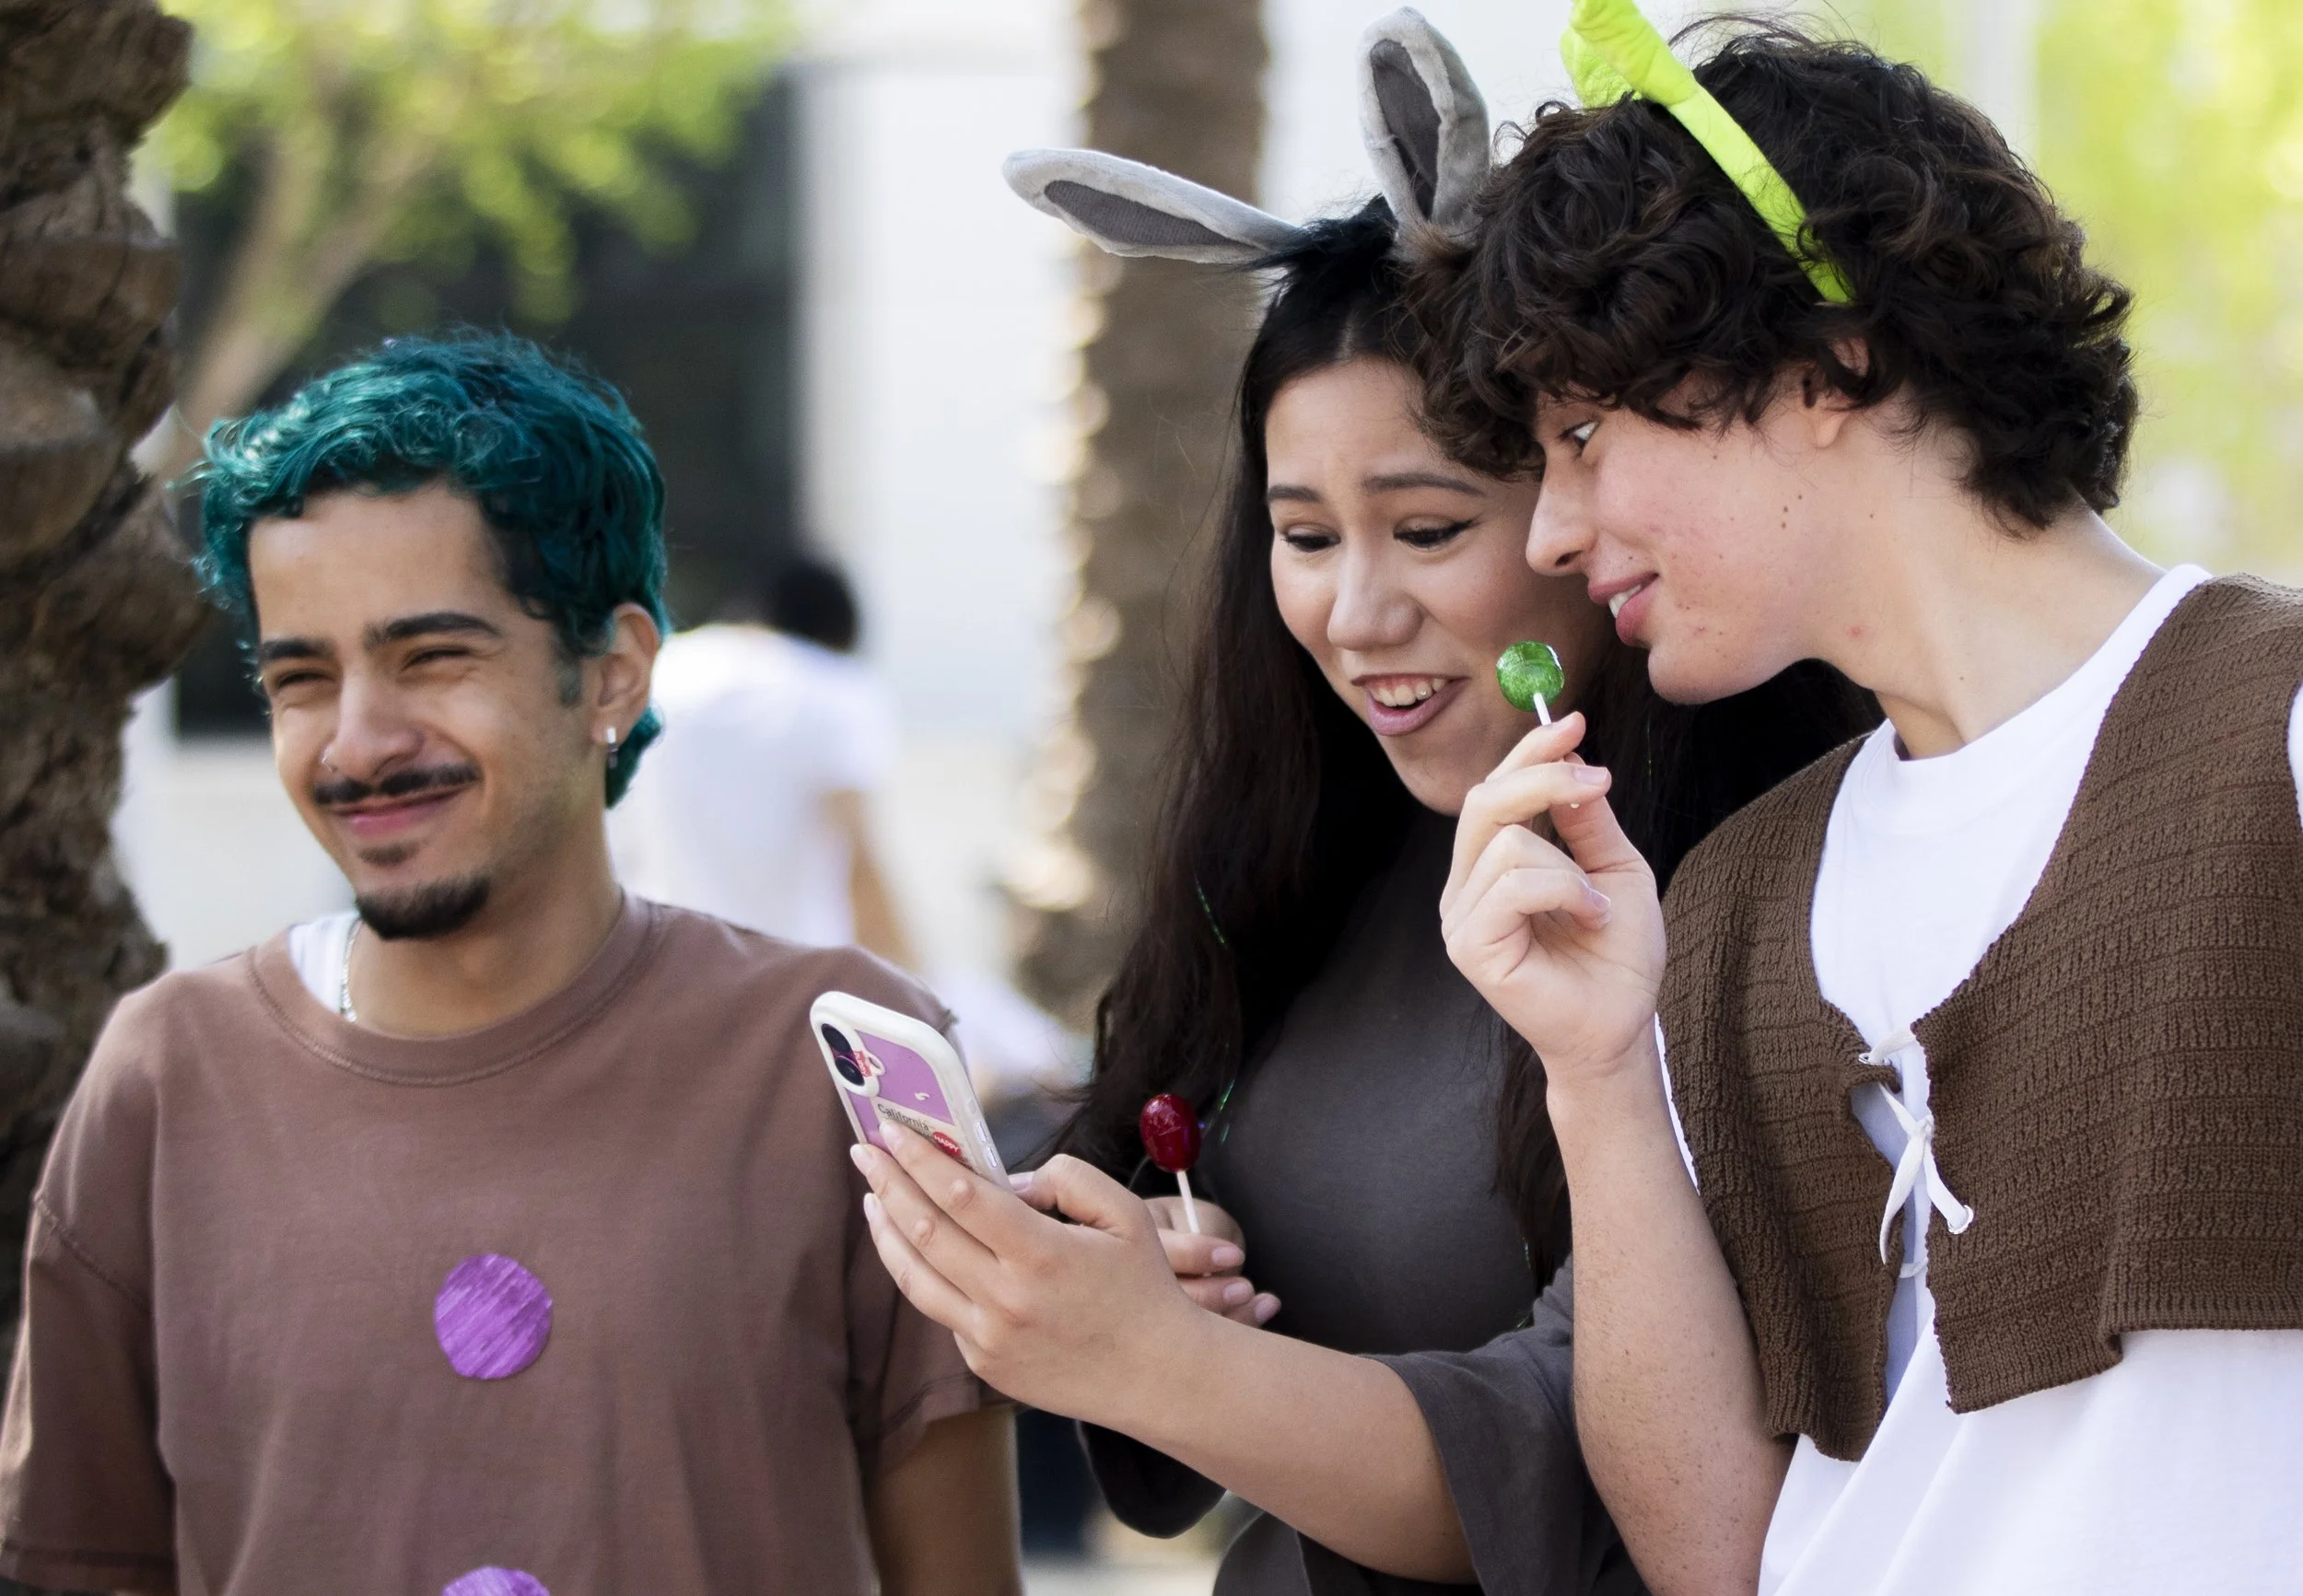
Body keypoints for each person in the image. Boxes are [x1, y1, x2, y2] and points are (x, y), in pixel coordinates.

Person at [851, 16, 1872, 1594]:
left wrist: (1156, 1363)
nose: (1355, 612)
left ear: (1588, 504)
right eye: (1307, 535)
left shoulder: (1767, 886)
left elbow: (1606, 1484)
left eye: (1428, 524)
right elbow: (1175, 1462)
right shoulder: (1297, 858)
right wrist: (1157, 1277)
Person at [1409, 6, 2303, 1594]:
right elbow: (1715, 1554)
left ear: (1831, 361)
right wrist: (1598, 1069)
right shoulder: (1735, 895)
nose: (1549, 528)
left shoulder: (2274, 726)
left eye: (1588, 432)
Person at [0, 333, 1019, 1596]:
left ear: (612, 670)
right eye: (301, 677)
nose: (358, 742)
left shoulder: (847, 1064)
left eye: (432, 656)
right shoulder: (164, 1078)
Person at [611, 555, 916, 964]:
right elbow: (859, 862)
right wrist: (915, 994)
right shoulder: (833, 687)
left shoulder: (660, 672)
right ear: (836, 635)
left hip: (656, 971)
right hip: (794, 991)